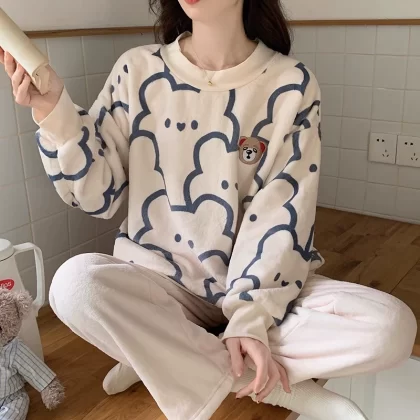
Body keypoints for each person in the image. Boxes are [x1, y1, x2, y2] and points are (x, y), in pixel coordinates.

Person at [1, 1, 416, 419]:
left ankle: (162, 355)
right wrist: (54, 112)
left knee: (389, 329)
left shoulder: (291, 85)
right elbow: (98, 197)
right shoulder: (136, 70)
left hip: (259, 285)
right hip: (160, 285)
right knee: (73, 286)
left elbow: (281, 215)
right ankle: (269, 385)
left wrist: (250, 317)